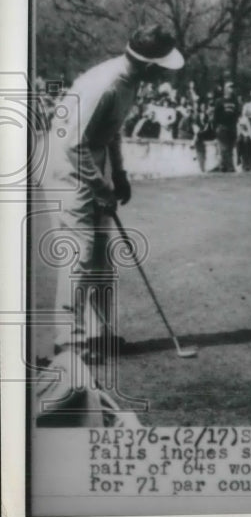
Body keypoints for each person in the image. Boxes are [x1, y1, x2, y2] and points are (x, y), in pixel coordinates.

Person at [44, 25, 184, 371]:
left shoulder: (130, 80)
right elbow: (72, 145)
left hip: (91, 160)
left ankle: (98, 333)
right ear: (149, 65)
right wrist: (102, 189)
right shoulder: (105, 84)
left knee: (102, 255)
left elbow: (111, 132)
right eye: (162, 65)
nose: (166, 71)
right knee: (81, 252)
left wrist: (119, 174)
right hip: (65, 168)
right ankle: (68, 343)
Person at [213, 82, 239, 173]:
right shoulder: (219, 101)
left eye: (232, 88)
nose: (231, 89)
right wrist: (216, 128)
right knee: (224, 148)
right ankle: (229, 167)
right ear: (225, 89)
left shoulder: (235, 101)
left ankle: (223, 166)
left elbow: (237, 115)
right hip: (222, 127)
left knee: (230, 148)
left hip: (232, 127)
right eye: (229, 87)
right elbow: (215, 116)